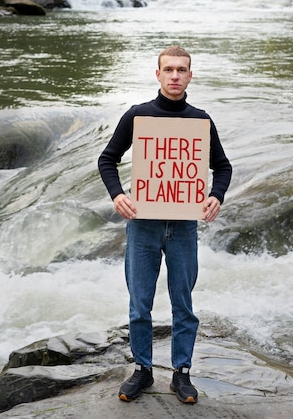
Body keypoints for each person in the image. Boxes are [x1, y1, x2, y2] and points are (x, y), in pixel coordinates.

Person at [98, 45, 232, 404]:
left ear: (190, 75)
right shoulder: (137, 116)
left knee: (183, 304)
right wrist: (117, 195)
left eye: (181, 70)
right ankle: (142, 370)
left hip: (184, 226)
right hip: (143, 225)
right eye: (169, 69)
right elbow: (107, 159)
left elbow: (223, 167)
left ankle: (181, 373)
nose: (175, 76)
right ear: (157, 75)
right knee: (140, 304)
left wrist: (216, 195)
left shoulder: (200, 120)